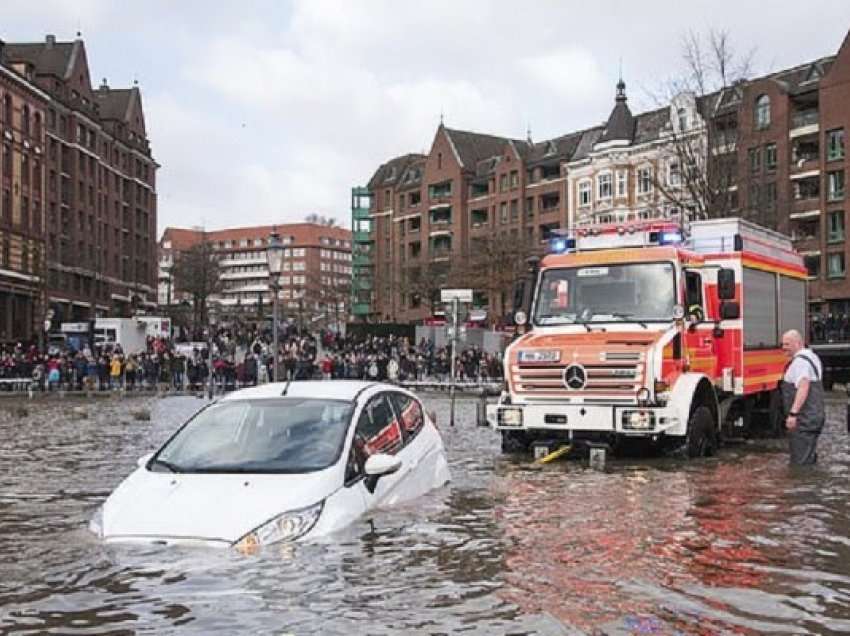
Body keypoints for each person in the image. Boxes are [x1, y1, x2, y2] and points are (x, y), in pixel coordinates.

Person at [779, 329, 825, 465]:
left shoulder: (800, 362)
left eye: (787, 344)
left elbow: (803, 386)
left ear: (798, 343)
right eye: (782, 344)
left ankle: (802, 485)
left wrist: (793, 414)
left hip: (804, 420)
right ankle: (811, 483)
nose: (783, 348)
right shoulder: (812, 357)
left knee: (800, 463)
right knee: (809, 458)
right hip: (814, 416)